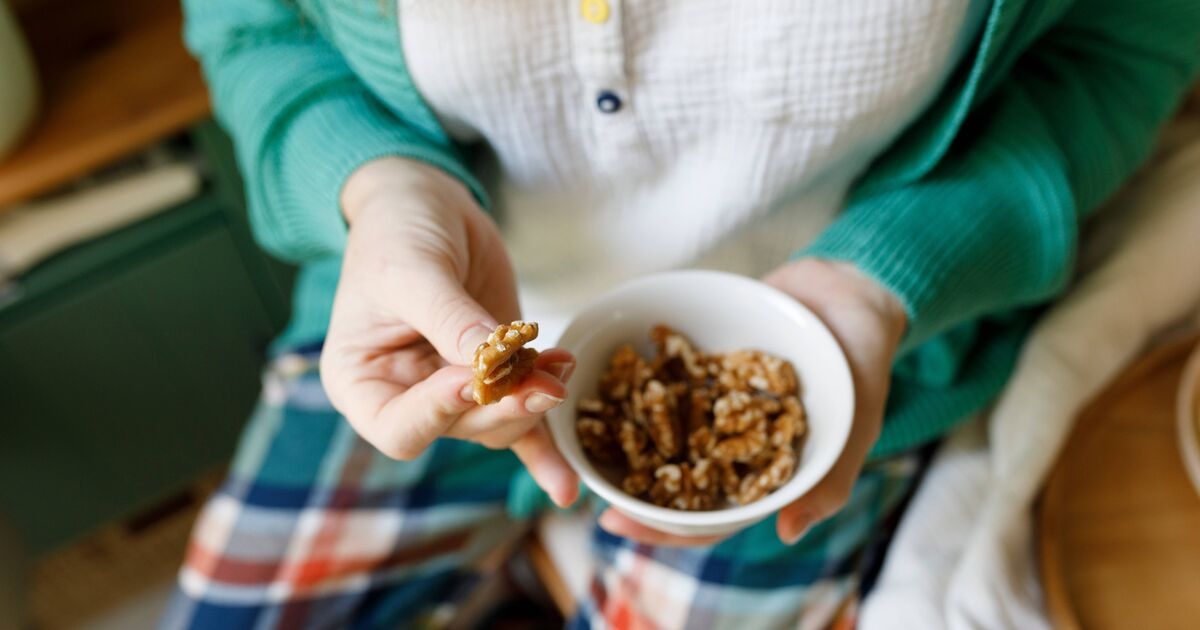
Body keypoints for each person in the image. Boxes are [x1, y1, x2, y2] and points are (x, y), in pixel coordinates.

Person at [164, 0, 1200, 627]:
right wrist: (376, 187)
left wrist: (884, 277)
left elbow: (1118, 51)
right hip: (427, 325)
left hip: (856, 350)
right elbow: (252, 26)